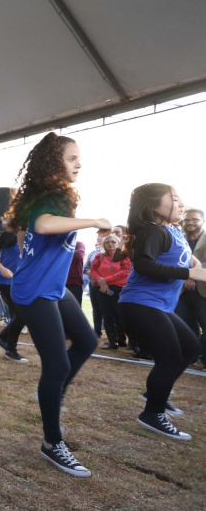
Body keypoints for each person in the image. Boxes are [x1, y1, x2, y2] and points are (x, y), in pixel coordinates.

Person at [5, 131, 109, 478]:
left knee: (88, 341)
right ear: (54, 162)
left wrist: (26, 251)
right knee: (57, 364)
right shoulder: (52, 199)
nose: (79, 163)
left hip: (52, 287)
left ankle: (51, 392)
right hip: (35, 290)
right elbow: (42, 224)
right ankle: (52, 443)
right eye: (71, 158)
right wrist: (94, 221)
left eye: (80, 158)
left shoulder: (53, 194)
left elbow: (25, 231)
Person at [118, 184, 206, 440]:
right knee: (169, 358)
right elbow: (144, 264)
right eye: (174, 199)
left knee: (190, 348)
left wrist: (193, 261)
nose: (181, 204)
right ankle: (153, 413)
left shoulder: (172, 231)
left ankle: (156, 392)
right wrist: (190, 272)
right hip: (140, 304)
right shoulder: (151, 230)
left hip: (158, 306)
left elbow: (176, 258)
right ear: (154, 205)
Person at [0, 230, 29, 362]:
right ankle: (10, 348)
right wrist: (1, 268)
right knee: (22, 315)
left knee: (21, 315)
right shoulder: (10, 234)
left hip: (20, 281)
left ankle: (4, 340)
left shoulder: (31, 235)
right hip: (6, 281)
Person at [175, 208, 206, 366]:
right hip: (180, 291)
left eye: (195, 219)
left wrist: (192, 274)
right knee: (184, 326)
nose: (190, 223)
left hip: (203, 291)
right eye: (186, 220)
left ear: (203, 221)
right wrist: (185, 277)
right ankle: (190, 357)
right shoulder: (177, 240)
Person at [89, 234, 131, 350]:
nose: (110, 244)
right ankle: (112, 341)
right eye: (108, 242)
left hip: (119, 289)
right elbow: (93, 270)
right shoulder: (99, 256)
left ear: (118, 244)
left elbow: (125, 271)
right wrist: (102, 282)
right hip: (102, 289)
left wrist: (105, 280)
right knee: (107, 316)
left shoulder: (124, 256)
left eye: (113, 242)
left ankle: (123, 340)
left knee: (120, 316)